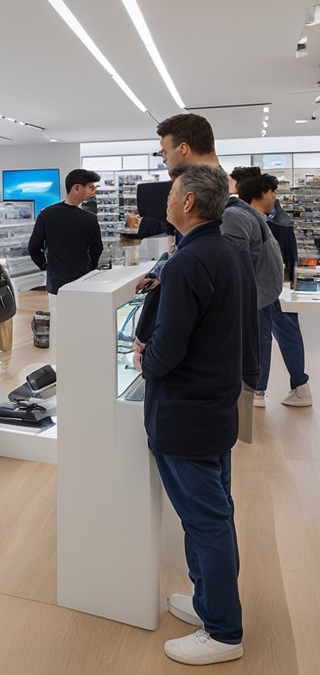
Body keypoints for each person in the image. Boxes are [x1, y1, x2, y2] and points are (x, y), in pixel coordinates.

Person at [133, 163, 255, 665]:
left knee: (205, 520)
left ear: (187, 203)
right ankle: (209, 605)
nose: (166, 197)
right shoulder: (226, 251)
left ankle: (225, 631)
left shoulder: (186, 263)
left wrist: (145, 355)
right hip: (215, 403)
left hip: (185, 410)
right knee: (213, 514)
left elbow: (169, 348)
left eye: (172, 191)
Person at [152, 113, 272, 427]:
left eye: (165, 152)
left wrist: (246, 372)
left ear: (184, 149)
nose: (163, 160)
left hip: (208, 382)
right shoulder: (223, 201)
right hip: (211, 374)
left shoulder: (225, 212)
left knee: (206, 463)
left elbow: (238, 291)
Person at [237, 171, 312, 407]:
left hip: (270, 287)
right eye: (273, 192)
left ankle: (261, 390)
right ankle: (298, 386)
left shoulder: (269, 220)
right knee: (280, 333)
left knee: (266, 335)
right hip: (275, 286)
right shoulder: (269, 219)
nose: (276, 197)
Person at [27, 168, 104, 294]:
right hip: (82, 282)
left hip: (55, 284)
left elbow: (33, 247)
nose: (94, 192)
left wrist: (45, 266)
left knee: (57, 313)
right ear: (77, 188)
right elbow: (97, 249)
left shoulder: (46, 214)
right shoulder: (90, 219)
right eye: (91, 187)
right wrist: (90, 269)